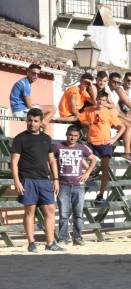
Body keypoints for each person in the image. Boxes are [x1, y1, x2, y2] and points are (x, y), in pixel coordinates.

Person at [10, 108, 64, 252]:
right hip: (27, 180)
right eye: (29, 120)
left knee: (51, 210)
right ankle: (31, 243)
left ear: (41, 122)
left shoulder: (46, 139)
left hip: (45, 180)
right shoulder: (20, 138)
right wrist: (17, 181)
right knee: (29, 211)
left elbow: (52, 161)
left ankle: (50, 242)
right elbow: (14, 161)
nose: (32, 124)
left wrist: (56, 179)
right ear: (26, 120)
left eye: (35, 121)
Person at [78, 90, 127, 205]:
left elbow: (122, 127)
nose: (101, 101)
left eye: (103, 100)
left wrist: (114, 139)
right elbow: (80, 119)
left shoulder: (109, 113)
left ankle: (101, 194)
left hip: (104, 143)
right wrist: (85, 124)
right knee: (78, 154)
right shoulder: (88, 110)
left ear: (106, 102)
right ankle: (92, 171)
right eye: (99, 99)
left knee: (105, 169)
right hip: (91, 142)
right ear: (96, 99)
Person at [54, 125, 99, 245]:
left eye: (75, 136)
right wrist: (54, 178)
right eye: (70, 135)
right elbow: (50, 160)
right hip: (63, 185)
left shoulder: (82, 147)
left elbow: (94, 159)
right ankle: (63, 238)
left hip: (78, 186)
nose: (72, 138)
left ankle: (77, 238)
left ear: (78, 136)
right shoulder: (58, 147)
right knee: (63, 214)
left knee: (78, 214)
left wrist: (87, 173)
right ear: (66, 134)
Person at [9, 64, 54, 130]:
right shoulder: (25, 84)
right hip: (20, 112)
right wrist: (34, 106)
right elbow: (30, 106)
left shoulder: (23, 82)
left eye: (38, 74)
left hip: (18, 111)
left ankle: (38, 127)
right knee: (52, 108)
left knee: (40, 114)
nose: (36, 76)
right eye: (34, 73)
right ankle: (40, 127)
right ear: (28, 73)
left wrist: (35, 105)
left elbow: (25, 102)